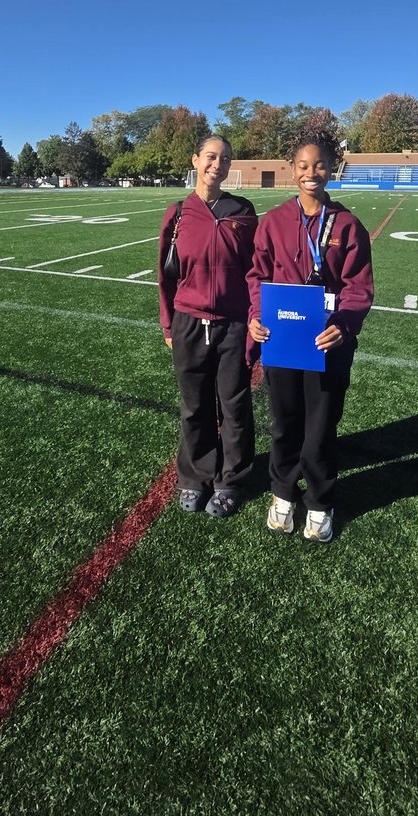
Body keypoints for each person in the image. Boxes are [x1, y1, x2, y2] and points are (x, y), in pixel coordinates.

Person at [248, 133, 374, 543]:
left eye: (319, 165)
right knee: (284, 422)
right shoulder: (273, 222)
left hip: (327, 344)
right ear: (292, 170)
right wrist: (255, 316)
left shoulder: (348, 225)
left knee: (320, 426)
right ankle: (283, 492)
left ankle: (320, 501)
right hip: (282, 340)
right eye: (303, 166)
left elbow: (359, 286)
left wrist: (346, 322)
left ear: (331, 168)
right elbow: (256, 277)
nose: (310, 174)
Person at [158, 136, 259, 517]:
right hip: (187, 322)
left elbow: (255, 272)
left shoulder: (243, 210)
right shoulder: (179, 212)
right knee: (194, 406)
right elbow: (165, 276)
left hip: (232, 325)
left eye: (226, 159)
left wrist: (253, 319)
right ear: (196, 160)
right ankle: (195, 475)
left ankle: (231, 479)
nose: (218, 164)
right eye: (211, 157)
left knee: (234, 406)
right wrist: (168, 324)